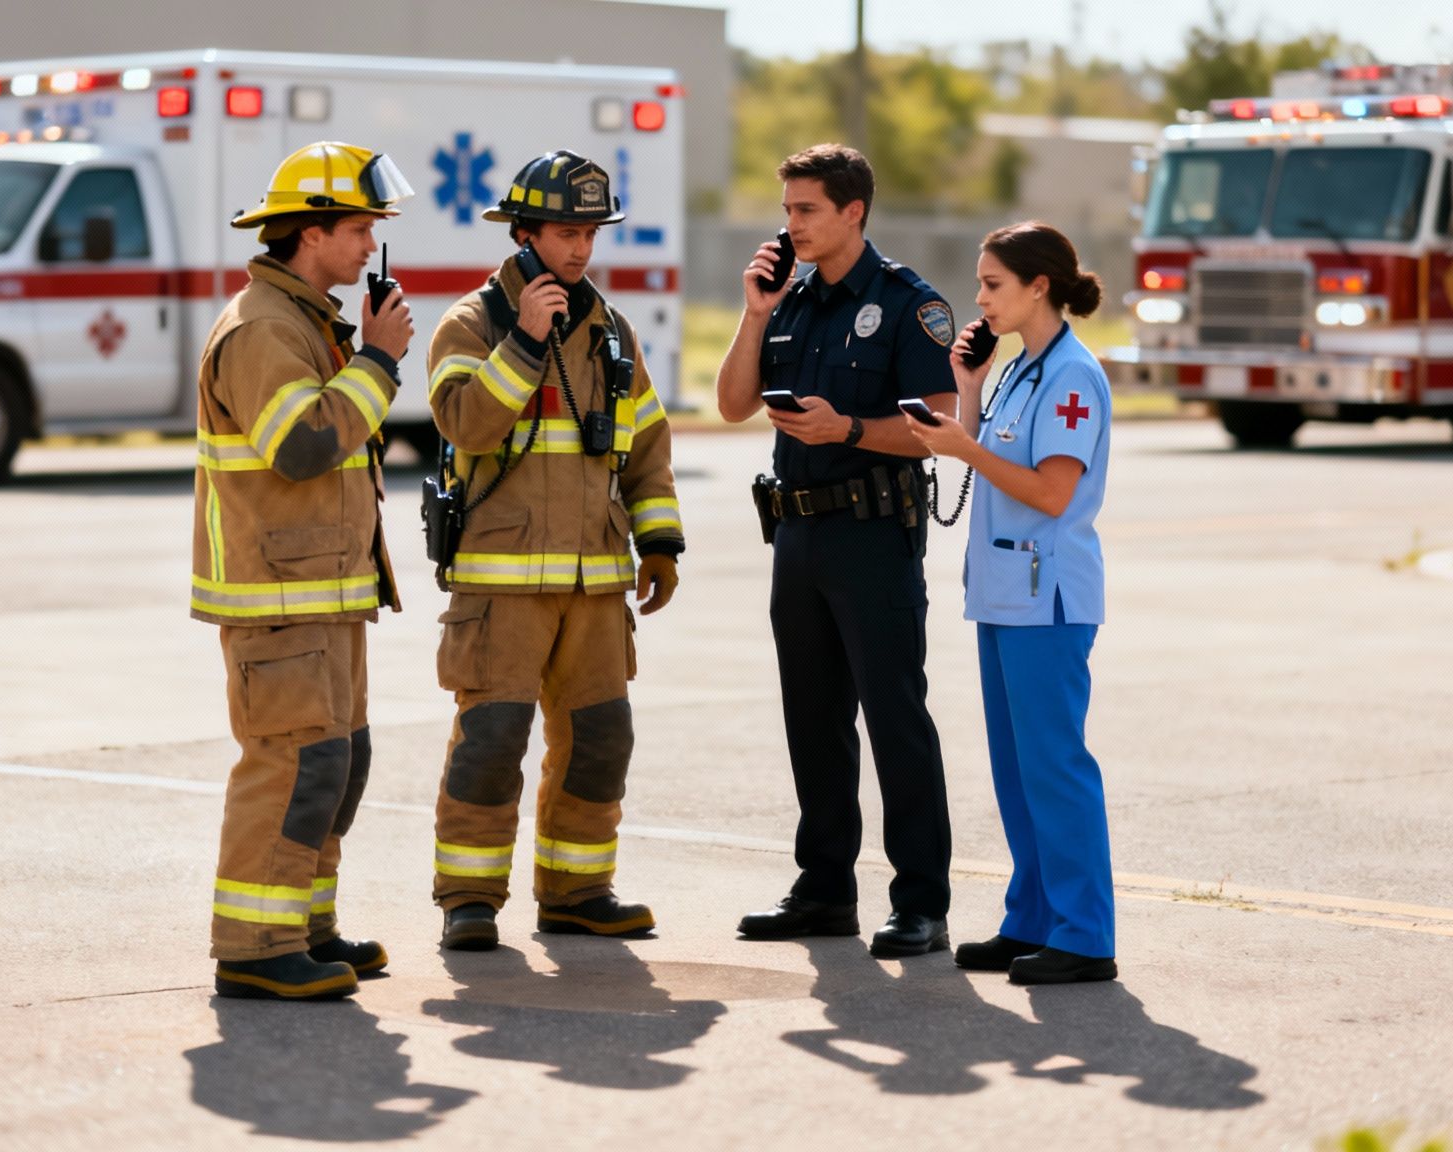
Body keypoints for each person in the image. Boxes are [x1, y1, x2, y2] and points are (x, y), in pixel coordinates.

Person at [423, 150, 684, 951]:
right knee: (493, 741)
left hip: (596, 584)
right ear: (526, 233)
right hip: (501, 586)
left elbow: (646, 444)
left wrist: (660, 540)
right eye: (565, 232)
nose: (579, 249)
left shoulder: (611, 329)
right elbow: (464, 424)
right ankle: (469, 897)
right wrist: (525, 344)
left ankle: (576, 890)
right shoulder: (472, 324)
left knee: (602, 739)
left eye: (589, 233)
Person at [714, 143, 960, 958]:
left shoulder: (907, 304)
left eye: (806, 210)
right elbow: (731, 403)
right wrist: (754, 312)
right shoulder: (787, 299)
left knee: (895, 719)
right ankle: (823, 889)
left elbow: (935, 426)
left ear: (853, 211)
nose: (791, 226)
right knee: (812, 720)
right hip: (798, 535)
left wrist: (848, 428)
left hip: (873, 535)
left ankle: (921, 900)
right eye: (787, 211)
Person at [191, 141, 416, 1000]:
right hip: (277, 597)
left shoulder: (306, 319)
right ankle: (254, 946)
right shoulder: (263, 328)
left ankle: (305, 927)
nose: (368, 247)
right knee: (289, 765)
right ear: (310, 233)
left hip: (323, 593)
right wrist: (381, 363)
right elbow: (303, 444)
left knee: (336, 764)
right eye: (358, 229)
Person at [903, 220, 1118, 986]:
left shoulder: (1071, 376)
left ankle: (1086, 936)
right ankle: (1031, 920)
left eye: (993, 284)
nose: (979, 298)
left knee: (1055, 767)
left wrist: (964, 449)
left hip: (1049, 596)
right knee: (1017, 770)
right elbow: (980, 452)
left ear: (1039, 287)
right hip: (1004, 594)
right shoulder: (1020, 369)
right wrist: (966, 392)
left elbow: (1051, 492)